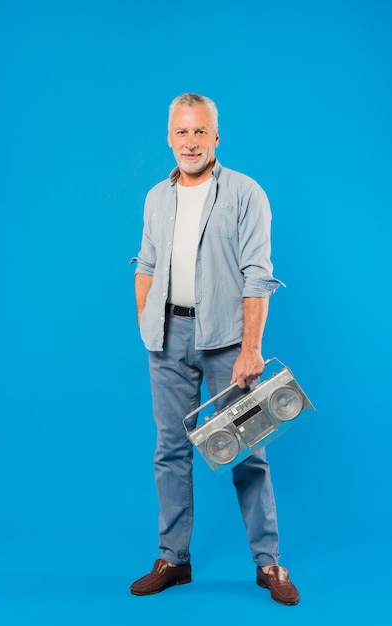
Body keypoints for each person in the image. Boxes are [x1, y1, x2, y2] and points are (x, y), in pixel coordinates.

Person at [130, 93, 299, 606]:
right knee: (170, 452)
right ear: (169, 137)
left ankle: (268, 563)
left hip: (229, 340)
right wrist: (147, 323)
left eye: (200, 131)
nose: (190, 142)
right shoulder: (157, 197)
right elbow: (146, 263)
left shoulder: (247, 193)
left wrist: (252, 349)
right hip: (168, 338)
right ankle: (172, 559)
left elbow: (257, 275)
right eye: (181, 132)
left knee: (248, 452)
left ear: (216, 137)